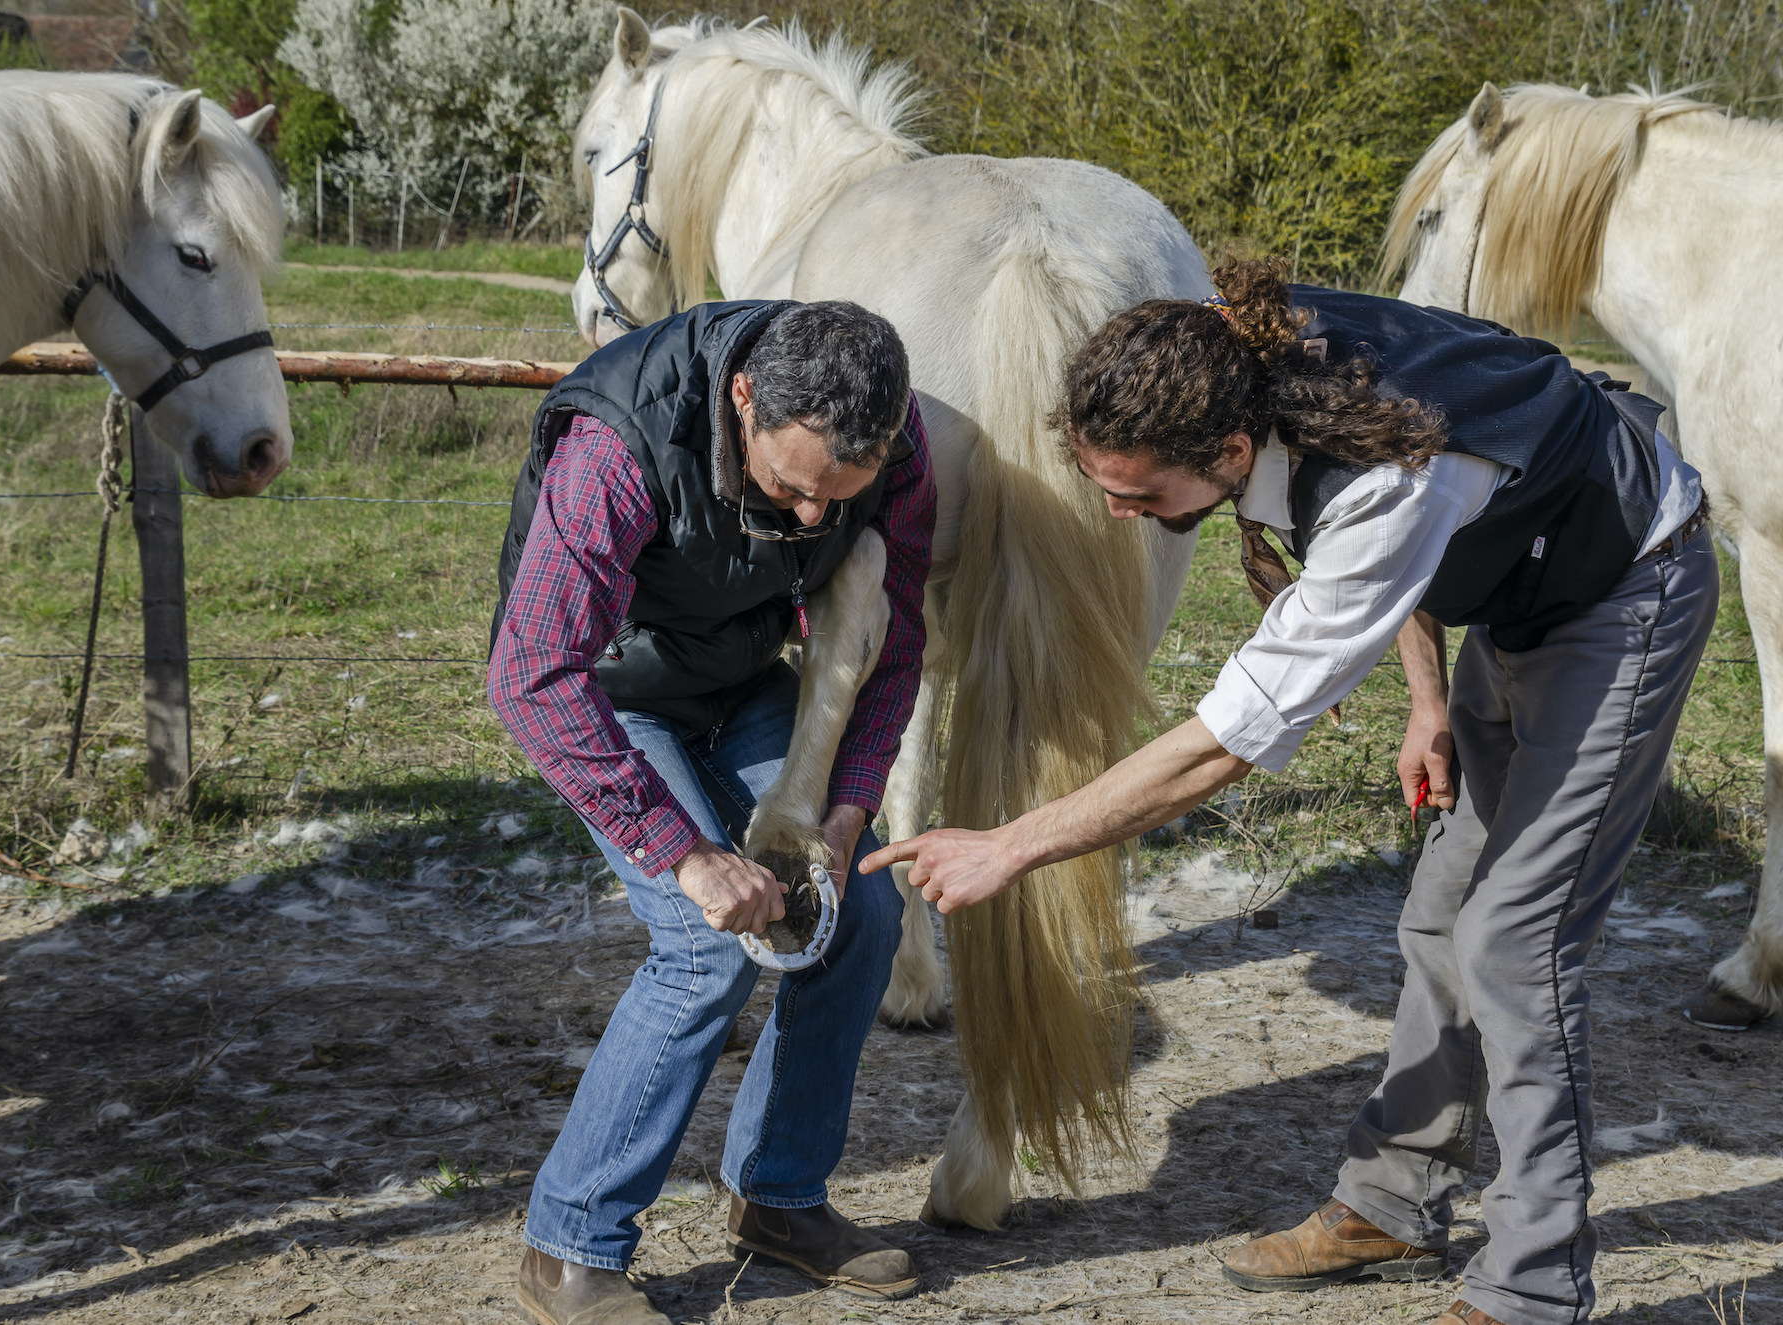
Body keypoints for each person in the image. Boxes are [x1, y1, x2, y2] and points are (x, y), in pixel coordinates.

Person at [864, 258, 1714, 1325]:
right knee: (1439, 918)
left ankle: (1535, 1283)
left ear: (1227, 453)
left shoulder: (1377, 484)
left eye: (1137, 494)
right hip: (1515, 582)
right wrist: (1424, 700)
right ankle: (1390, 1203)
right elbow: (1404, 539)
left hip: (1624, 587)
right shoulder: (1242, 364)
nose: (1119, 515)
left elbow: (1222, 744)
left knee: (1513, 943)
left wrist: (1011, 844)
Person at [489, 298, 933, 1325]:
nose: (816, 520)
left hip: (736, 675)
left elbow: (894, 639)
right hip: (606, 687)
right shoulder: (615, 445)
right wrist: (684, 853)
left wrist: (848, 802)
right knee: (704, 943)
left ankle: (778, 1195)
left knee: (855, 905)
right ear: (741, 398)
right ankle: (571, 1245)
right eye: (790, 487)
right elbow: (531, 674)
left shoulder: (893, 436)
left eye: (843, 497)